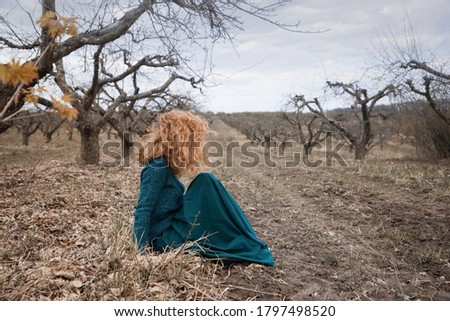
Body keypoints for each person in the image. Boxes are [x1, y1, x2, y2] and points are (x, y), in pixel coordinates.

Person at [133, 109, 274, 266]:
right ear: (179, 139)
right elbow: (143, 209)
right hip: (164, 238)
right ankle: (247, 239)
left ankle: (247, 238)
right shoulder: (156, 167)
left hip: (173, 227)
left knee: (207, 181)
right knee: (206, 181)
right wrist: (140, 252)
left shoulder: (164, 165)